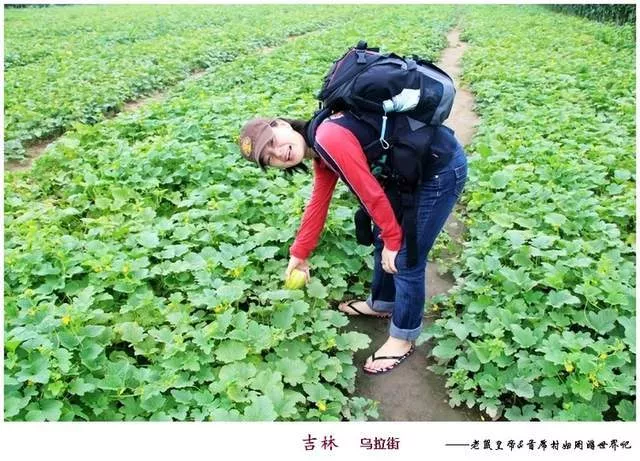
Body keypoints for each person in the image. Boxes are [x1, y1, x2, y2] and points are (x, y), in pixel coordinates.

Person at [238, 111, 467, 375]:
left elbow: (370, 193)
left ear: (281, 124)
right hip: (415, 169)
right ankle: (382, 303)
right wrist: (299, 253)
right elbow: (319, 202)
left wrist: (394, 240)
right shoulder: (319, 147)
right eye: (269, 158)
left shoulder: (328, 137)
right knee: (385, 236)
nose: (279, 153)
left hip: (439, 170)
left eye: (272, 142)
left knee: (406, 257)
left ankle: (403, 338)